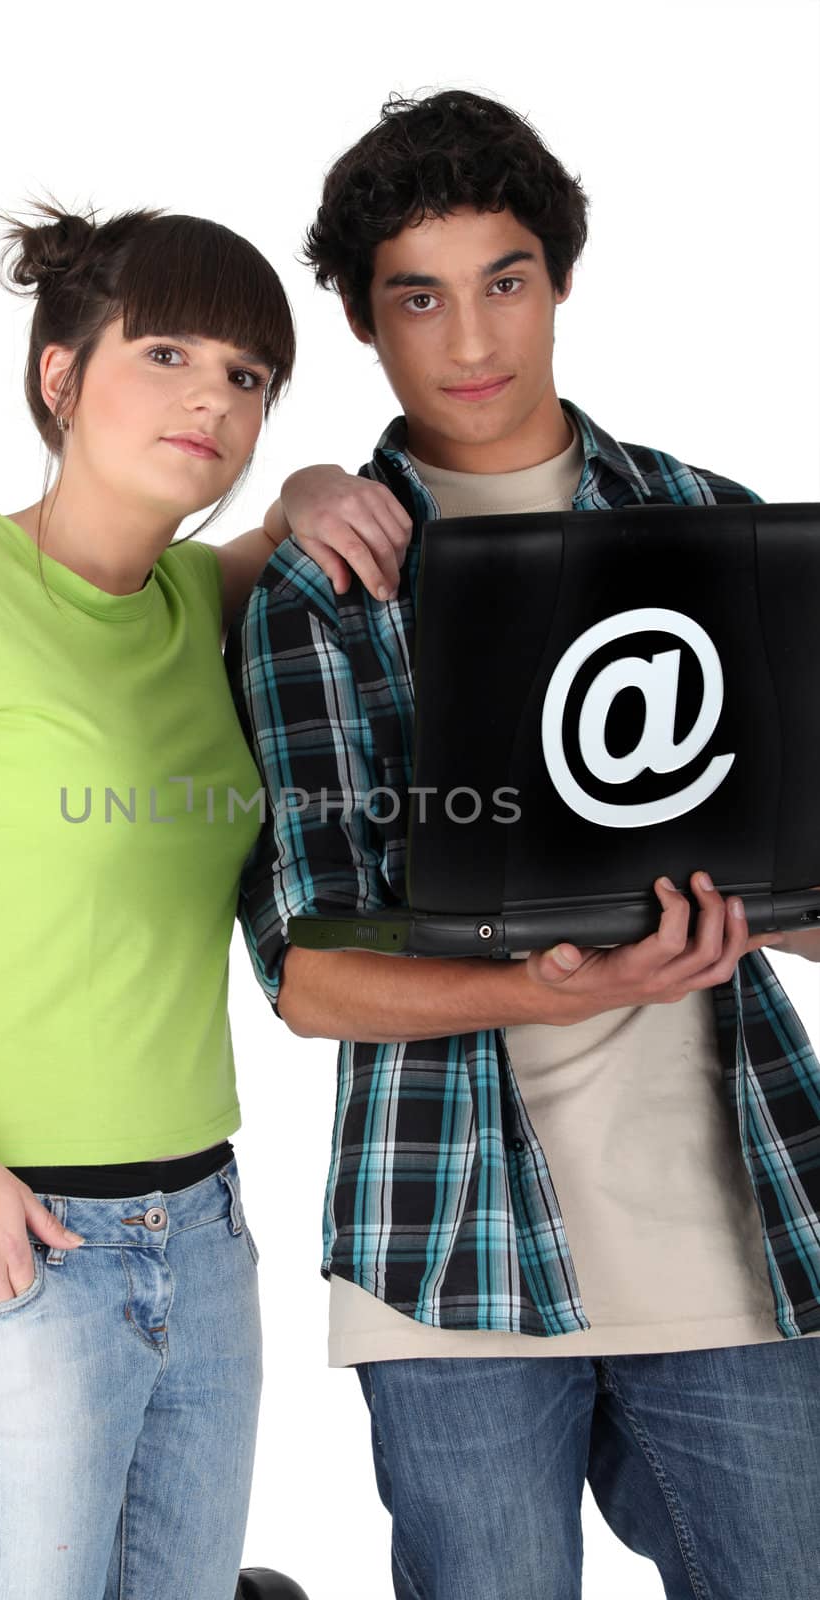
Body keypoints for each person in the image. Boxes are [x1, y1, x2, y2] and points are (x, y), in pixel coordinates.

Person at [0, 201, 408, 1600]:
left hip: (205, 1229)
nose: (211, 402)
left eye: (245, 377)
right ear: (61, 371)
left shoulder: (184, 602)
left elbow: (266, 545)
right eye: (166, 353)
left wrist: (305, 488)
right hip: (5, 1236)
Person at [226, 89, 820, 1599]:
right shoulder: (322, 592)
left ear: (557, 282)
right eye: (418, 298)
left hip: (736, 1238)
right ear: (366, 324)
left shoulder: (714, 530)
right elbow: (313, 975)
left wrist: (767, 908)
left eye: (504, 281)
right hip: (448, 1255)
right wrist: (557, 988)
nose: (471, 339)